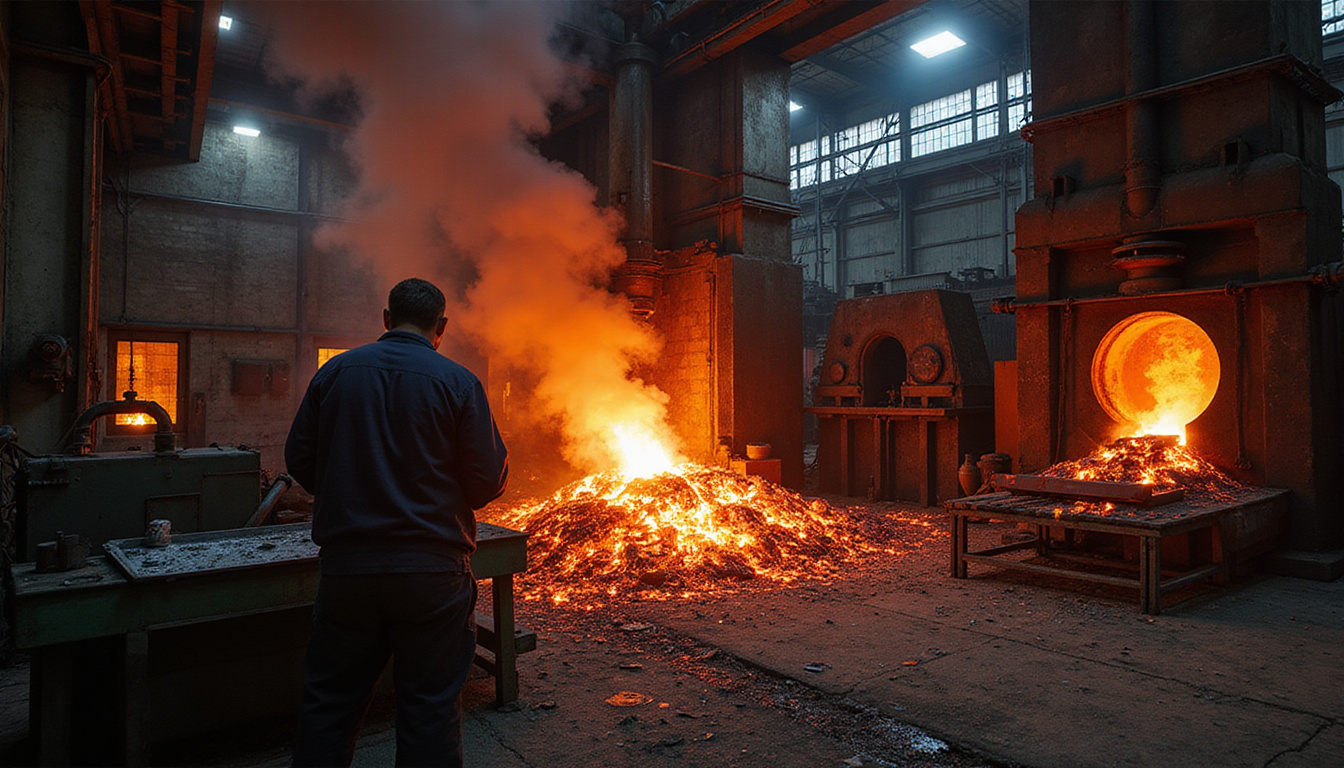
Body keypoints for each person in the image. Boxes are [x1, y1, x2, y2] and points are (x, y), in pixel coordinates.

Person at [285, 277, 509, 768]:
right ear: (441, 327)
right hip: (432, 574)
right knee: (429, 709)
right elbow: (487, 483)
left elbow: (299, 459)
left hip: (349, 572)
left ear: (386, 319)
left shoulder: (335, 373)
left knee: (330, 705)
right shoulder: (458, 382)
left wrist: (347, 485)